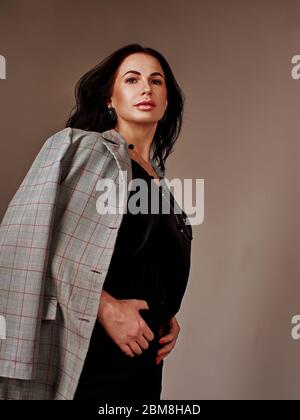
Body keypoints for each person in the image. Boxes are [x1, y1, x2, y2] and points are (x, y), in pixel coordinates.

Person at [0, 44, 193, 400]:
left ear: (168, 102)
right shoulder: (84, 148)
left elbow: (136, 258)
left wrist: (165, 312)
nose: (146, 88)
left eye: (156, 81)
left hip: (143, 358)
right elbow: (25, 241)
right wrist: (104, 306)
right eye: (132, 79)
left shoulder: (160, 184)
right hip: (94, 349)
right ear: (110, 97)